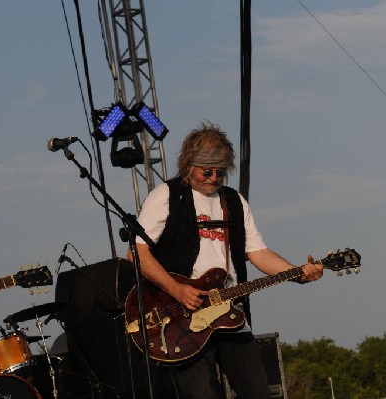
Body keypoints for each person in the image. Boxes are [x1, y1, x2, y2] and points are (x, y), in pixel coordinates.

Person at [129, 122, 324, 399]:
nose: (212, 178)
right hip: (181, 319)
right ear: (188, 165)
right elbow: (137, 255)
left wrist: (297, 272)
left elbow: (257, 252)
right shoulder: (165, 197)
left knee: (259, 393)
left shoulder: (234, 201)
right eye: (206, 171)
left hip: (230, 314)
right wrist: (177, 290)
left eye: (220, 172)